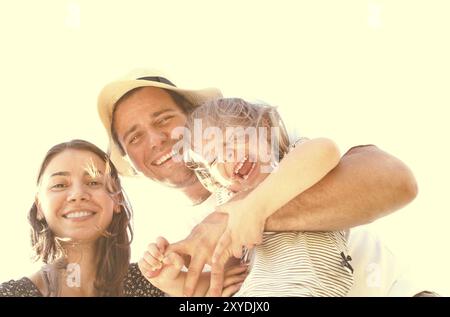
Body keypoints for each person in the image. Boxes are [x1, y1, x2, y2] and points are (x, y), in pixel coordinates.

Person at [97, 69, 419, 296]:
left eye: (164, 119)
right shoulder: (188, 241)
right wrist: (175, 283)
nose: (155, 139)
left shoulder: (274, 157)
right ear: (132, 163)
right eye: (135, 137)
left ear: (198, 116)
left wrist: (244, 214)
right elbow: (222, 289)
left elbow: (395, 181)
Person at [139, 98, 355, 296]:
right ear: (213, 180)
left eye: (234, 138)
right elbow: (218, 286)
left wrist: (256, 208)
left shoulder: (293, 160)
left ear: (265, 130)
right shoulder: (228, 207)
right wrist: (172, 280)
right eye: (213, 159)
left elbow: (325, 150)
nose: (227, 156)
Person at [0, 139, 164, 296]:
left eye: (93, 182)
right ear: (39, 207)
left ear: (117, 199)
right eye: (60, 185)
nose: (78, 194)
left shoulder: (157, 282)